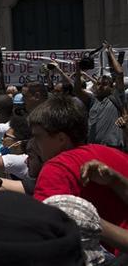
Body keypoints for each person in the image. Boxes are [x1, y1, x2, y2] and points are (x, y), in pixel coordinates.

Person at [28, 95, 128, 255]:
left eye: (37, 136)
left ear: (61, 138)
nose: (33, 143)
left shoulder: (57, 167)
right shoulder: (116, 154)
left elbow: (42, 231)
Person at [74, 44, 126, 150]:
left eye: (104, 84)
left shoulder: (117, 97)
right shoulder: (92, 100)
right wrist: (78, 69)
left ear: (112, 87)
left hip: (113, 148)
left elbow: (119, 73)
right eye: (98, 84)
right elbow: (77, 90)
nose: (100, 86)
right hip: (94, 148)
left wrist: (110, 52)